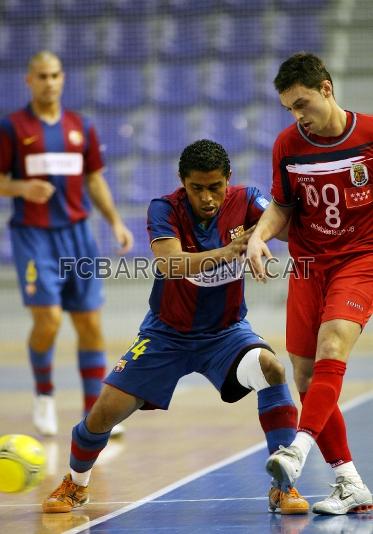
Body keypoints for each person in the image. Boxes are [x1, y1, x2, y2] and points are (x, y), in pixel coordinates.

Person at [42, 139, 308, 515]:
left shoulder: (247, 200)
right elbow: (171, 264)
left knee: (272, 368)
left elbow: (285, 225)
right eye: (196, 188)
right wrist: (231, 251)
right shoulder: (164, 208)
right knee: (104, 412)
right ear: (183, 183)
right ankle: (76, 484)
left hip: (225, 334)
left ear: (228, 180)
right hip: (165, 335)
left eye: (215, 187)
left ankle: (283, 487)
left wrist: (264, 234)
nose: (208, 197)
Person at [247, 52, 373, 515]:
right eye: (290, 109)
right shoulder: (287, 145)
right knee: (303, 374)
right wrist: (260, 237)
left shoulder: (370, 136)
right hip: (306, 267)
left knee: (332, 344)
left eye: (302, 103)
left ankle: (296, 451)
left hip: (361, 259)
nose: (298, 116)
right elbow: (281, 206)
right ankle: (349, 482)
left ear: (326, 88)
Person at [0, 51, 133, 437]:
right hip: (34, 236)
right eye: (42, 76)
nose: (49, 82)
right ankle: (44, 395)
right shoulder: (12, 128)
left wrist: (115, 221)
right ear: (29, 80)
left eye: (55, 75)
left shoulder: (81, 126)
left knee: (90, 322)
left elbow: (94, 180)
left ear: (63, 78)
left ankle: (96, 410)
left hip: (79, 236)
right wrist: (21, 186)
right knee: (50, 319)